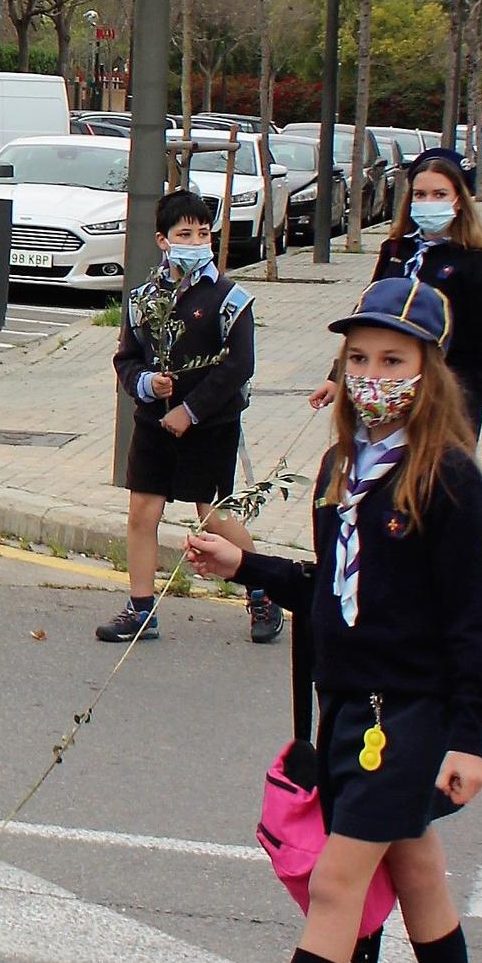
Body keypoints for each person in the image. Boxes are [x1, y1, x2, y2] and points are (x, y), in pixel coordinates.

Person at [173, 276, 482, 963]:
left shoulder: (449, 481)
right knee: (417, 872)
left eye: (392, 359)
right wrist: (242, 567)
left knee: (335, 884)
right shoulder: (337, 472)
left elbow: (473, 618)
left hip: (416, 712)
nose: (371, 374)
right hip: (351, 712)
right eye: (357, 357)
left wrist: (467, 734)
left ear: (428, 372)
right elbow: (334, 593)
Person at [104, 191, 278, 645]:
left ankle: (263, 590)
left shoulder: (230, 298)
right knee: (144, 511)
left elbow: (239, 365)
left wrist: (190, 409)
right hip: (153, 423)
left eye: (203, 233)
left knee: (212, 516)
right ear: (163, 240)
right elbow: (126, 358)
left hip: (212, 424)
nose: (196, 241)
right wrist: (148, 385)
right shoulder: (143, 299)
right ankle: (141, 608)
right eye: (185, 234)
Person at [313, 149, 482, 459]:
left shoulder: (478, 265)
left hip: (451, 395)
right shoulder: (395, 250)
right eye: (420, 194)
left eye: (439, 194)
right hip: (389, 392)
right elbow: (366, 320)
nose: (429, 202)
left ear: (459, 199)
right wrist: (337, 377)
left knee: (437, 485)